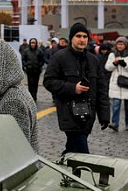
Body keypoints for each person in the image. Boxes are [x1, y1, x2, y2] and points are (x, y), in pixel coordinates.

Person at [43, 23, 110, 155]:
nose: (82, 39)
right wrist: (73, 88)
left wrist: (104, 116)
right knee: (82, 152)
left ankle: (65, 165)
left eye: (85, 36)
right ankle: (80, 174)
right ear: (71, 38)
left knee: (73, 149)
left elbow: (102, 89)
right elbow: (48, 81)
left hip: (88, 115)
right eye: (78, 36)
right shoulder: (59, 57)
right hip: (69, 112)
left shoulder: (94, 60)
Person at [105, 37, 128, 131]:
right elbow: (107, 67)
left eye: (122, 44)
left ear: (126, 45)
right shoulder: (112, 55)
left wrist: (125, 65)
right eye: (118, 44)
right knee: (115, 106)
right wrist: (114, 63)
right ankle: (115, 124)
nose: (120, 46)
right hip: (116, 84)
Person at [21, 38, 44, 102]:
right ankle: (31, 97)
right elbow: (23, 59)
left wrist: (39, 66)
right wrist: (25, 66)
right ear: (30, 43)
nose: (33, 44)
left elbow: (42, 60)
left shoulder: (39, 51)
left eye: (34, 43)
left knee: (35, 84)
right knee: (30, 84)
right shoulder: (26, 51)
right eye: (32, 43)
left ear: (36, 43)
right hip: (29, 70)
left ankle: (35, 96)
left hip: (37, 70)